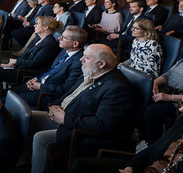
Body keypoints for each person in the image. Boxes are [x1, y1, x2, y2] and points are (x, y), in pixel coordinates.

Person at [72, 83, 183, 172]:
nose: (181, 110)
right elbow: (153, 150)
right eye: (182, 104)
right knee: (81, 165)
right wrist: (131, 167)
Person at [29, 44, 138, 173]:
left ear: (102, 64)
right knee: (29, 117)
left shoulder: (118, 88)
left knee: (41, 139)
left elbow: (103, 124)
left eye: (86, 57)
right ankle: (27, 160)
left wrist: (65, 119)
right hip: (63, 115)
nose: (81, 59)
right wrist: (55, 105)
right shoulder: (90, 72)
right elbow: (68, 95)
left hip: (79, 131)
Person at [10, 25, 86, 109]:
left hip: (46, 95)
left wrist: (40, 86)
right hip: (38, 84)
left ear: (75, 43)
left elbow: (66, 89)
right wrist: (35, 79)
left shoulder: (79, 62)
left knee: (6, 100)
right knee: (7, 93)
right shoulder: (64, 51)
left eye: (63, 37)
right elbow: (51, 70)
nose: (59, 38)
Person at [0, 16, 61, 85]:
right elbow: (25, 54)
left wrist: (17, 61)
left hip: (28, 73)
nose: (34, 25)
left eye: (38, 24)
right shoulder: (38, 38)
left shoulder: (50, 44)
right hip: (22, 66)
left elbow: (34, 64)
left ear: (46, 27)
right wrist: (13, 64)